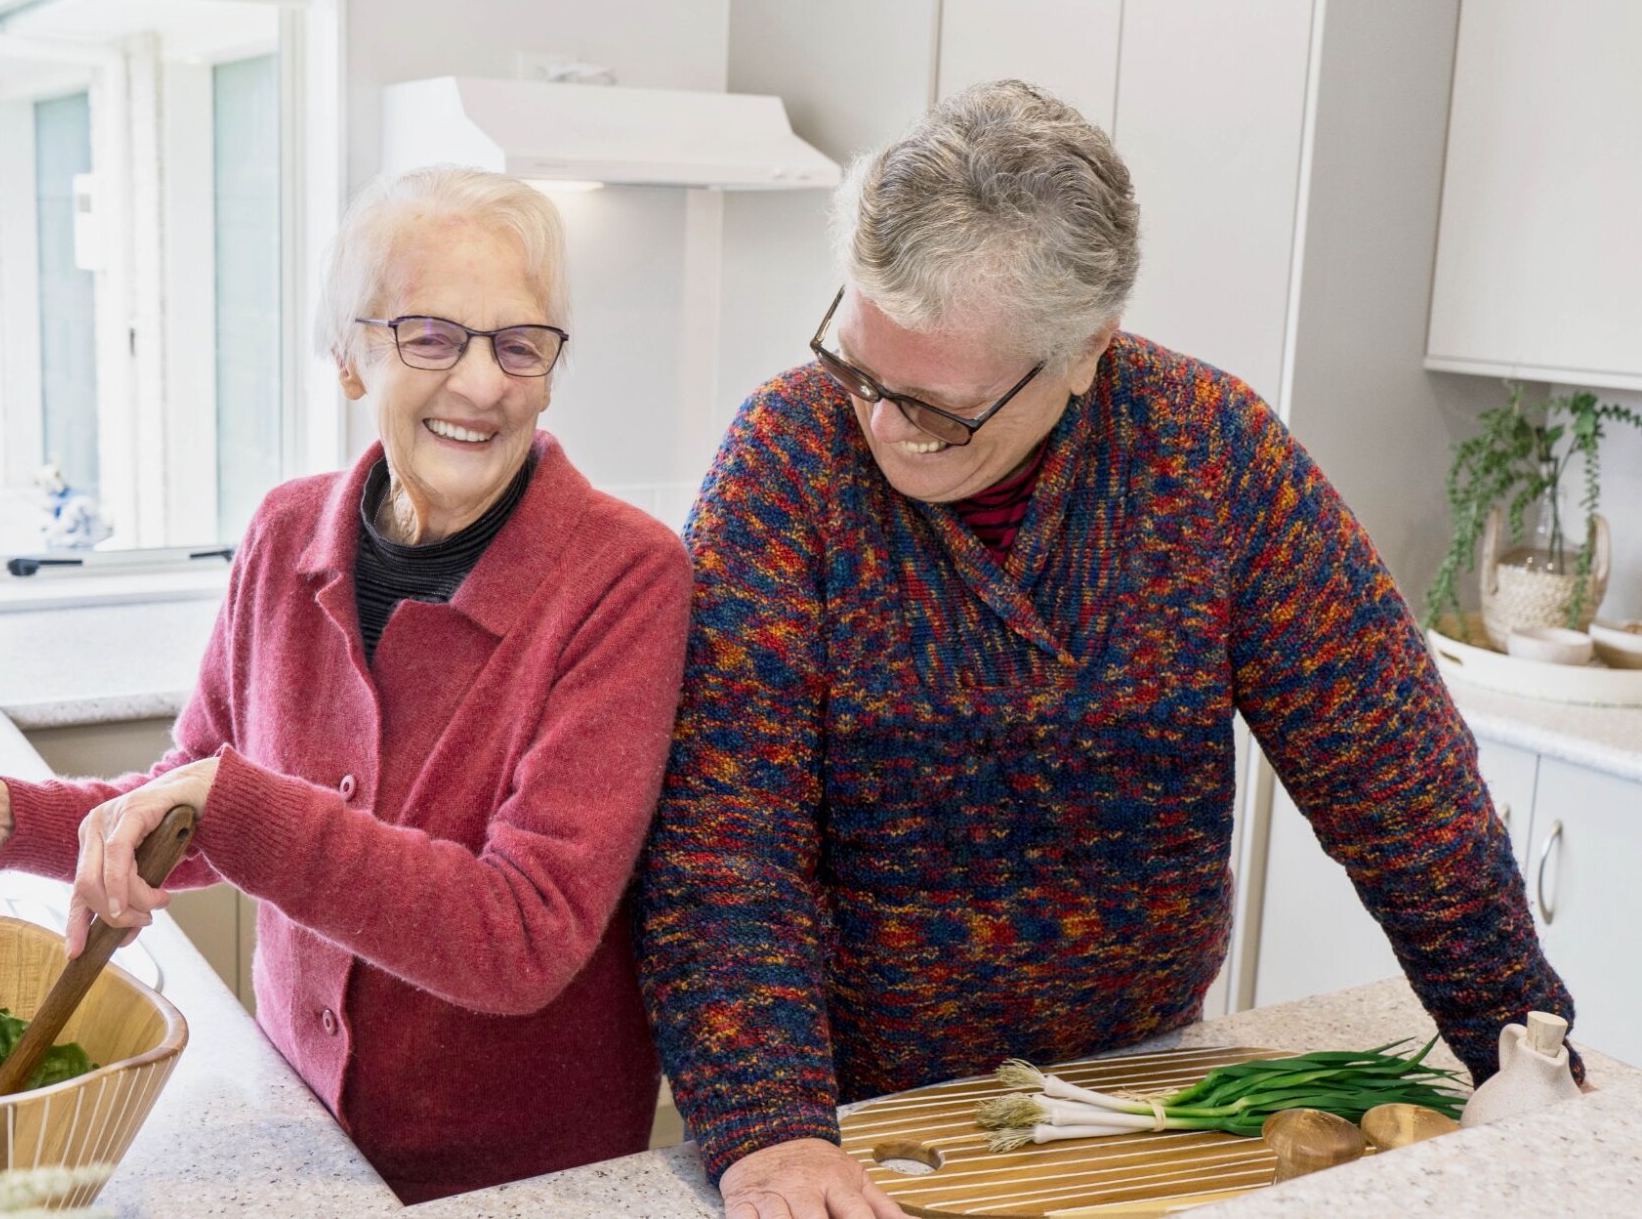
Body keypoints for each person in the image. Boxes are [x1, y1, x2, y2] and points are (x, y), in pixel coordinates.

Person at [635, 80, 1578, 1219]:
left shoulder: (1208, 457)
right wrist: (771, 1131)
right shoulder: (786, 461)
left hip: (1136, 1082)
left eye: (937, 409)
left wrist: (1519, 1051)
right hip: (846, 1108)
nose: (883, 426)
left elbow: (1397, 781)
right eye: (857, 368)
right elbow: (724, 845)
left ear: (1084, 350)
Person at [0, 166, 691, 1203]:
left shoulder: (625, 577)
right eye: (431, 336)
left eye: (518, 342)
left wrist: (225, 802)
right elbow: (189, 792)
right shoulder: (282, 537)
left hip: (521, 1181)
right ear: (350, 357)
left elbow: (523, 933)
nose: (484, 383)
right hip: (304, 1135)